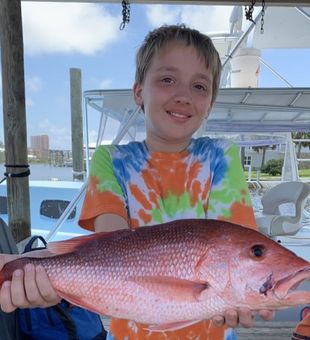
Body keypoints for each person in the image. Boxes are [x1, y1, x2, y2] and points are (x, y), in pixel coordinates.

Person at [0, 24, 274, 340]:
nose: (184, 95)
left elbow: (236, 246)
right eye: (167, 79)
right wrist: (31, 270)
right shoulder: (110, 160)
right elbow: (112, 250)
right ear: (138, 91)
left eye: (200, 86)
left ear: (210, 102)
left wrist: (246, 289)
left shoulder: (222, 157)